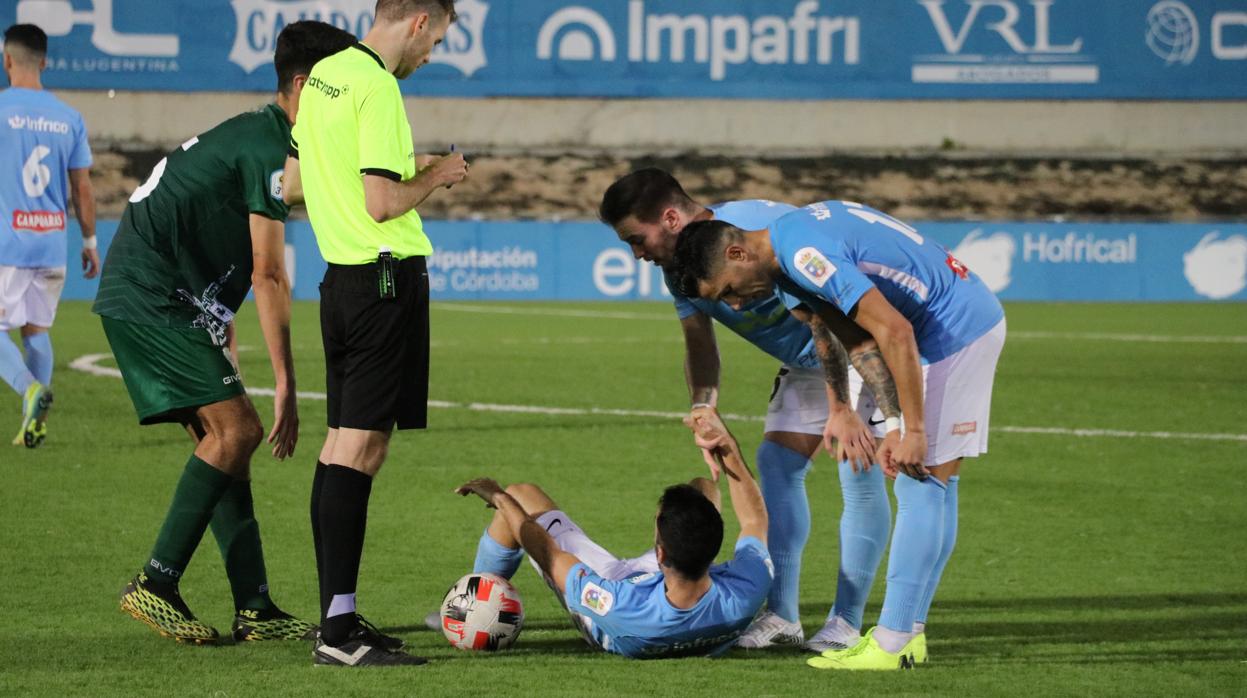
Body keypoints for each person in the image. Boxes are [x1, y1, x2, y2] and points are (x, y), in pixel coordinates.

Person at [92, 21, 358, 645]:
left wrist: (220, 328)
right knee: (238, 429)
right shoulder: (271, 148)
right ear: (303, 86)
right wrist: (287, 384)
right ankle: (156, 584)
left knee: (227, 443)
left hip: (166, 295)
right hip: (153, 296)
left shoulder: (259, 136)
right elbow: (269, 274)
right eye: (339, 88)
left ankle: (255, 607)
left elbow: (213, 244)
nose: (349, 100)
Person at [671, 201, 1006, 670]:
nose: (737, 305)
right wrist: (880, 421)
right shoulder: (784, 263)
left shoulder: (804, 253)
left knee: (919, 477)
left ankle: (891, 642)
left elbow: (894, 330)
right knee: (934, 483)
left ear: (737, 253)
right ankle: (908, 633)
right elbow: (854, 341)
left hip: (953, 328)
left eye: (729, 290)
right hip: (950, 322)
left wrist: (913, 430)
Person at [597, 169, 899, 651]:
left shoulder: (752, 227)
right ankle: (782, 615)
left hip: (853, 343)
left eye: (638, 238)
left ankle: (845, 622)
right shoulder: (681, 268)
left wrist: (842, 406)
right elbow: (699, 341)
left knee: (856, 467)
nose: (637, 253)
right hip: (805, 359)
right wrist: (702, 406)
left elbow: (826, 310)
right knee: (777, 464)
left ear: (670, 218)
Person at [281, 0, 469, 667]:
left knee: (339, 448)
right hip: (382, 283)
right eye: (438, 38)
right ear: (417, 22)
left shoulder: (326, 76)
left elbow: (294, 184)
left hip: (341, 283)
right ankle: (338, 636)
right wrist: (436, 174)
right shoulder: (377, 86)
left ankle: (338, 615)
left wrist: (381, 171)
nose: (433, 52)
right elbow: (383, 203)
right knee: (358, 452)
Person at [453, 413, 772, 659]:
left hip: (616, 594)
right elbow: (754, 519)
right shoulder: (747, 590)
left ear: (661, 554)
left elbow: (548, 554)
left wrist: (498, 497)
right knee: (703, 488)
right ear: (715, 552)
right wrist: (726, 447)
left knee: (520, 495)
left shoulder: (615, 605)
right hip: (659, 587)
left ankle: (473, 614)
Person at [0, 23, 98, 448]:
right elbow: (83, 187)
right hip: (53, 243)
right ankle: (33, 422)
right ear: (44, 62)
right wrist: (91, 242)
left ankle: (29, 389)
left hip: (9, 244)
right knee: (36, 332)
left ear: (7, 60)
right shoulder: (68, 117)